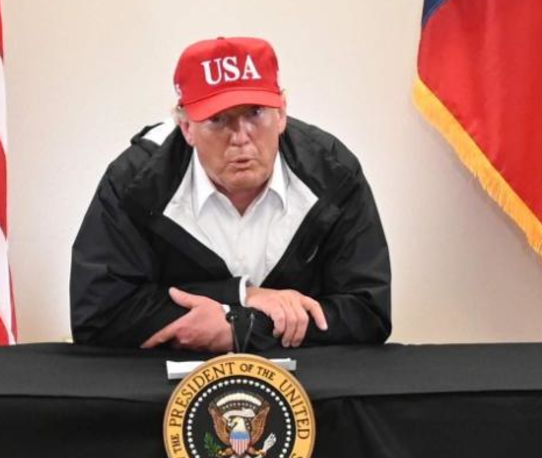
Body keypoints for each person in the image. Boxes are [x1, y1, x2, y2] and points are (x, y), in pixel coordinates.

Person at [70, 37, 391, 352]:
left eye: (254, 113)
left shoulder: (331, 172)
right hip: (166, 390)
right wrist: (241, 296)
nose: (240, 137)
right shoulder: (137, 181)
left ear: (281, 114)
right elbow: (99, 314)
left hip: (307, 388)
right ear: (186, 128)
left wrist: (242, 328)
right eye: (217, 119)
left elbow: (368, 311)